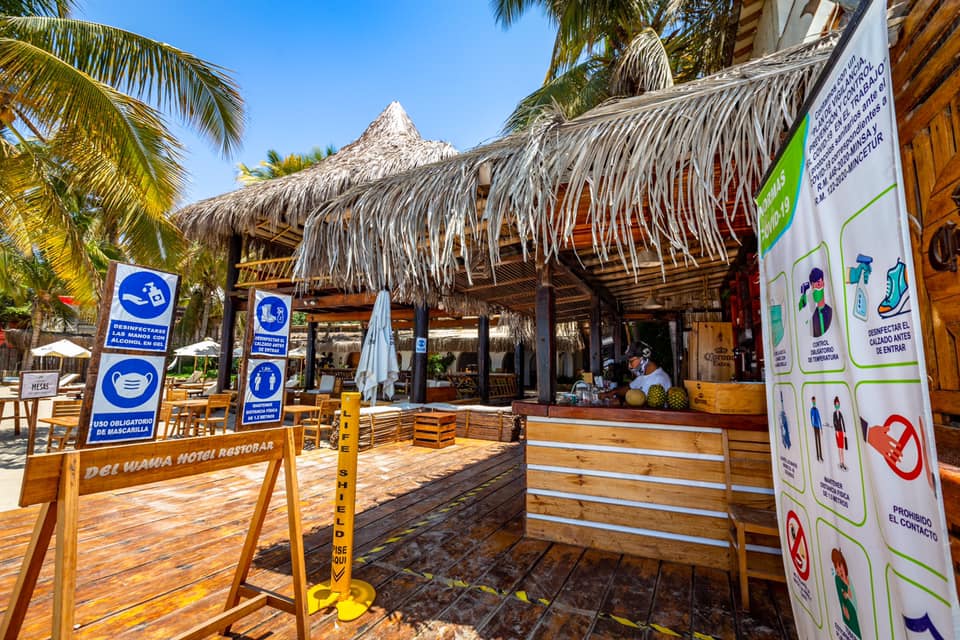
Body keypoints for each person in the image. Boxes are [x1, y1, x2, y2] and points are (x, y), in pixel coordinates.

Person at [601, 341, 671, 400]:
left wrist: (622, 403)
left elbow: (648, 406)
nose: (629, 366)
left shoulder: (659, 379)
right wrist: (612, 392)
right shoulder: (643, 376)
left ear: (643, 358)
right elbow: (629, 388)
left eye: (631, 362)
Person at [810, 396, 823, 462]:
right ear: (812, 401)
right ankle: (817, 456)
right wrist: (812, 425)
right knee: (816, 441)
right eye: (813, 401)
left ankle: (820, 456)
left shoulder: (817, 409)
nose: (814, 402)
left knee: (819, 441)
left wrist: (821, 427)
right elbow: (811, 417)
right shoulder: (811, 410)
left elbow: (819, 418)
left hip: (818, 426)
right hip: (815, 426)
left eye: (815, 401)